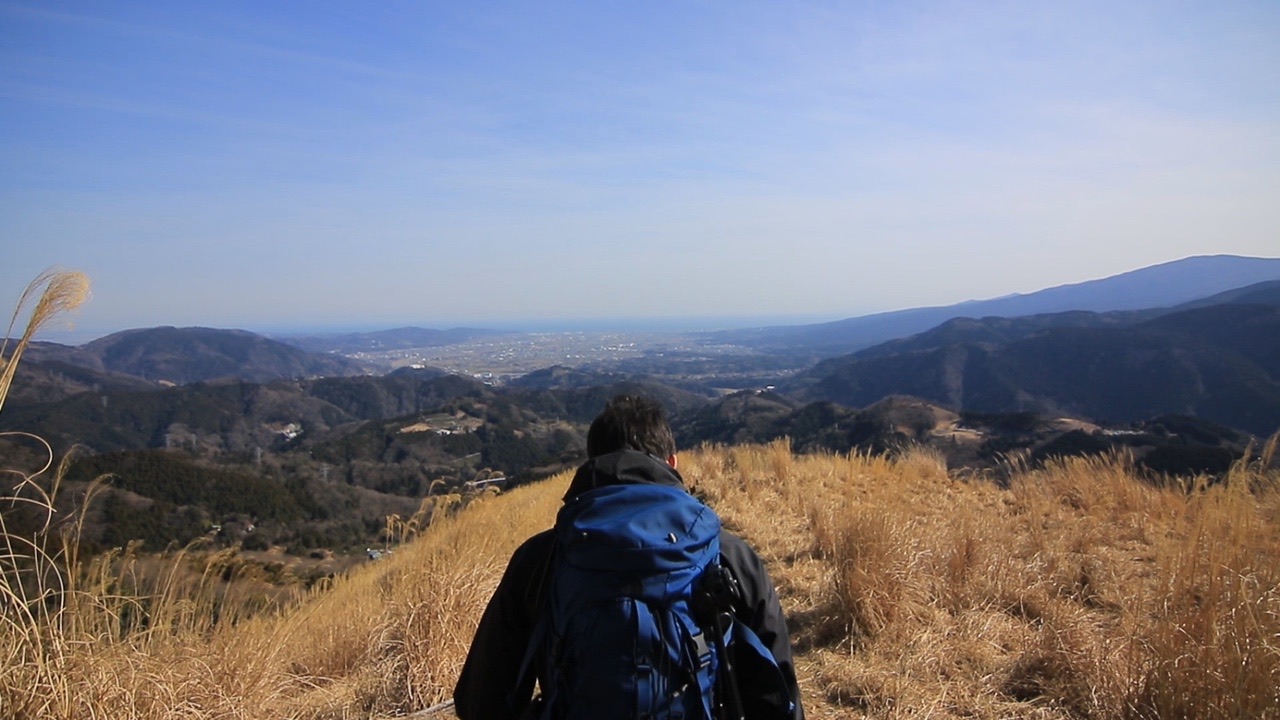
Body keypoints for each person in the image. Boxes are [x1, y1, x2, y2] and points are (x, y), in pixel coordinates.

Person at [453, 394, 804, 719]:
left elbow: (479, 699)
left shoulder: (542, 559)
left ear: (592, 462)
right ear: (672, 462)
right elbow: (777, 692)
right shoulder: (727, 555)